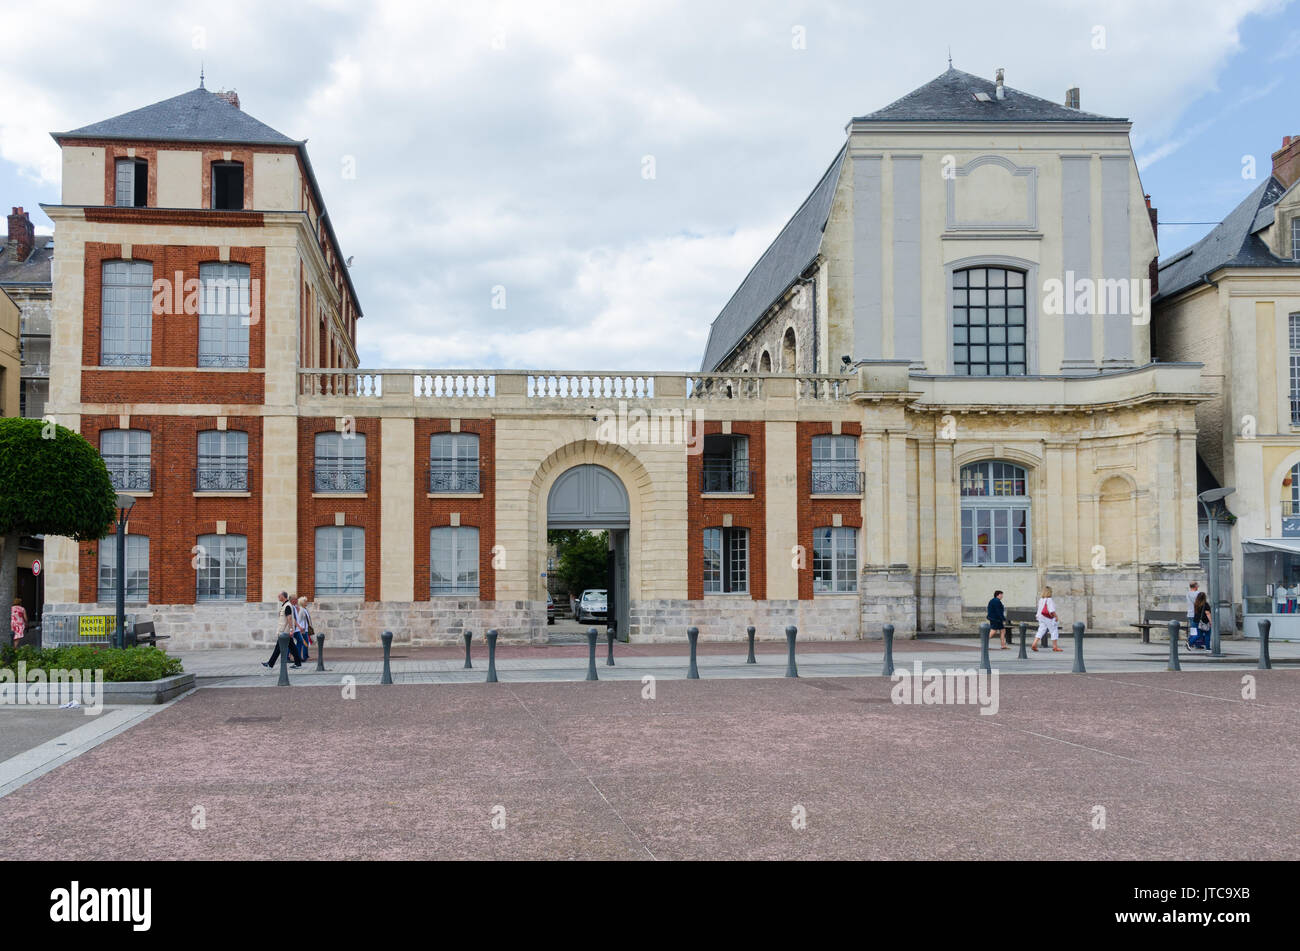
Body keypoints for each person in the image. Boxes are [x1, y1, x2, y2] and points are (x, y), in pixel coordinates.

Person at [263, 591, 303, 669]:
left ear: (283, 597)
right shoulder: (285, 605)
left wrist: (291, 629)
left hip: (285, 632)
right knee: (292, 647)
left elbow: (289, 618)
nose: (278, 596)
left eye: (279, 595)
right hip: (285, 631)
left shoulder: (287, 605)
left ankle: (270, 664)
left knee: (279, 647)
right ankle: (298, 663)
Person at [1030, 585, 1061, 652]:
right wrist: (1056, 616)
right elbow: (1051, 610)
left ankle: (1034, 644)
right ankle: (1055, 647)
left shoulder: (1041, 599)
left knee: (1041, 630)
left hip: (1041, 617)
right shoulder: (1049, 600)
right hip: (1048, 618)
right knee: (1054, 630)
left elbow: (1039, 609)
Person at [293, 596, 311, 662]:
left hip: (305, 629)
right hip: (302, 630)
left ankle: (304, 655)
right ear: (302, 602)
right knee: (303, 643)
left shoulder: (305, 609)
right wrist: (301, 628)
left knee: (305, 642)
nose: (307, 602)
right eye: (305, 601)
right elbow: (299, 620)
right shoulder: (301, 610)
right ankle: (303, 656)